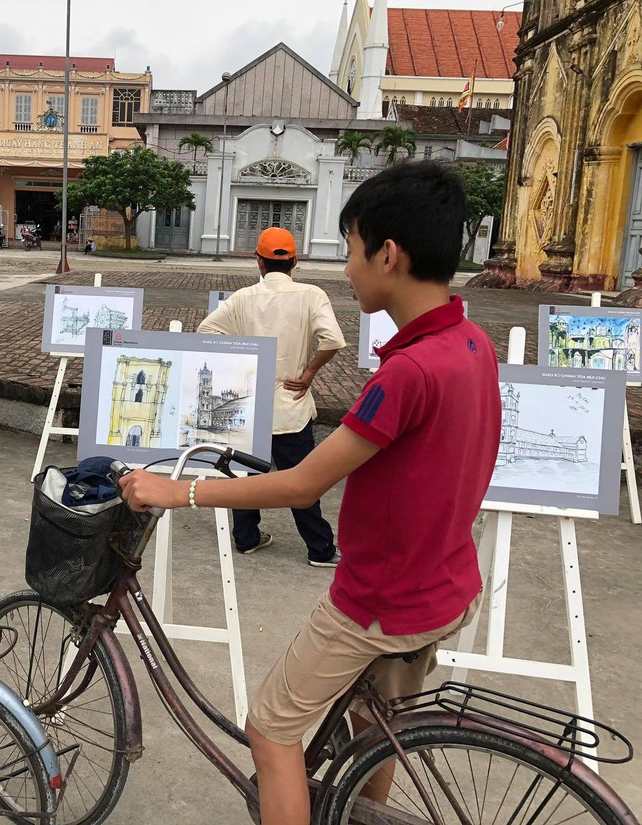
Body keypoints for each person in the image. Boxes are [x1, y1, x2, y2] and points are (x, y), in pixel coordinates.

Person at [118, 161, 501, 825]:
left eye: (351, 250)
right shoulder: (471, 344)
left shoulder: (406, 374)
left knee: (270, 731)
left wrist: (179, 491)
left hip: (380, 597)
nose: (346, 268)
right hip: (446, 584)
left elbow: (304, 482)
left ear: (389, 254)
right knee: (373, 722)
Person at [198, 226, 344, 564]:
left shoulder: (243, 298)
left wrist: (241, 366)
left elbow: (206, 331)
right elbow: (333, 340)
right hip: (291, 405)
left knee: (244, 478)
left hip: (249, 406)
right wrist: (308, 373)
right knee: (302, 482)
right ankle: (320, 549)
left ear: (258, 262)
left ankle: (246, 538)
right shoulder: (311, 295)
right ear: (294, 261)